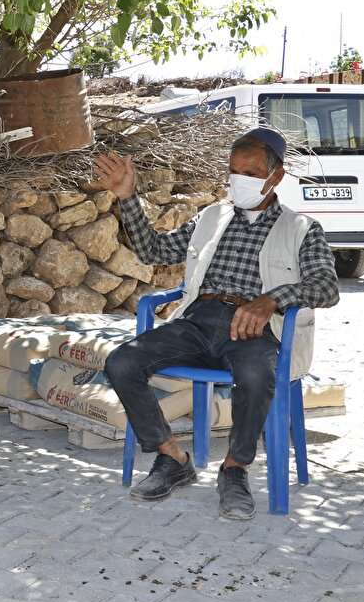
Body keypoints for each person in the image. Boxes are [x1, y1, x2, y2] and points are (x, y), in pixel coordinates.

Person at [95, 127, 339, 520]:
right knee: (122, 362)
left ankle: (235, 468)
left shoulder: (301, 229)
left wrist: (271, 300)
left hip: (252, 329)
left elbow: (326, 286)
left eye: (252, 173)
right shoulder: (211, 216)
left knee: (258, 376)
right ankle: (172, 457)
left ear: (276, 177)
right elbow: (152, 250)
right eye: (233, 171)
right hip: (198, 321)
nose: (239, 180)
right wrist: (128, 198)